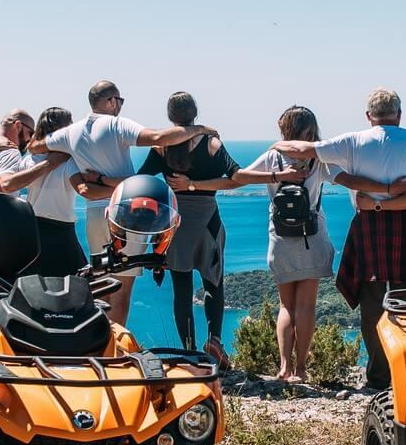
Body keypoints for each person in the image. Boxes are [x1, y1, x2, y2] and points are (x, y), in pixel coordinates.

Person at [271, 88, 406, 389]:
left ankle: (378, 377)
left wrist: (279, 141)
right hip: (404, 223)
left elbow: (302, 150)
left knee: (372, 306)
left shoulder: (352, 141)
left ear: (369, 116)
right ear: (399, 114)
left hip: (368, 224)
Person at [34, 80, 214, 324]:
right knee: (122, 289)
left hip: (96, 217)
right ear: (110, 101)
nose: (120, 106)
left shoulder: (70, 132)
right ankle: (116, 353)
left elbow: (36, 145)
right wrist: (199, 129)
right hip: (126, 218)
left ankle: (97, 343)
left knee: (100, 286)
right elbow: (159, 137)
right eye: (119, 101)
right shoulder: (116, 124)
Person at [200, 105, 338, 382]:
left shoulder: (273, 157)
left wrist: (195, 185)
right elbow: (346, 175)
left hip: (281, 239)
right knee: (306, 307)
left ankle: (284, 368)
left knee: (285, 307)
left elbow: (237, 179)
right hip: (312, 238)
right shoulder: (318, 158)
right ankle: (301, 369)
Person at [137, 92, 241, 365]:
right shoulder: (212, 144)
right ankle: (215, 342)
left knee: (181, 289)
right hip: (208, 221)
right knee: (213, 283)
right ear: (195, 112)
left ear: (170, 116)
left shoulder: (162, 148)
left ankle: (189, 353)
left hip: (176, 223)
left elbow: (141, 182)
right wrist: (196, 186)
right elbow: (235, 178)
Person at [0, 106, 85, 276]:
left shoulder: (29, 160)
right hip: (63, 232)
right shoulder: (69, 161)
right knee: (77, 286)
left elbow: (10, 184)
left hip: (33, 231)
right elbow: (83, 188)